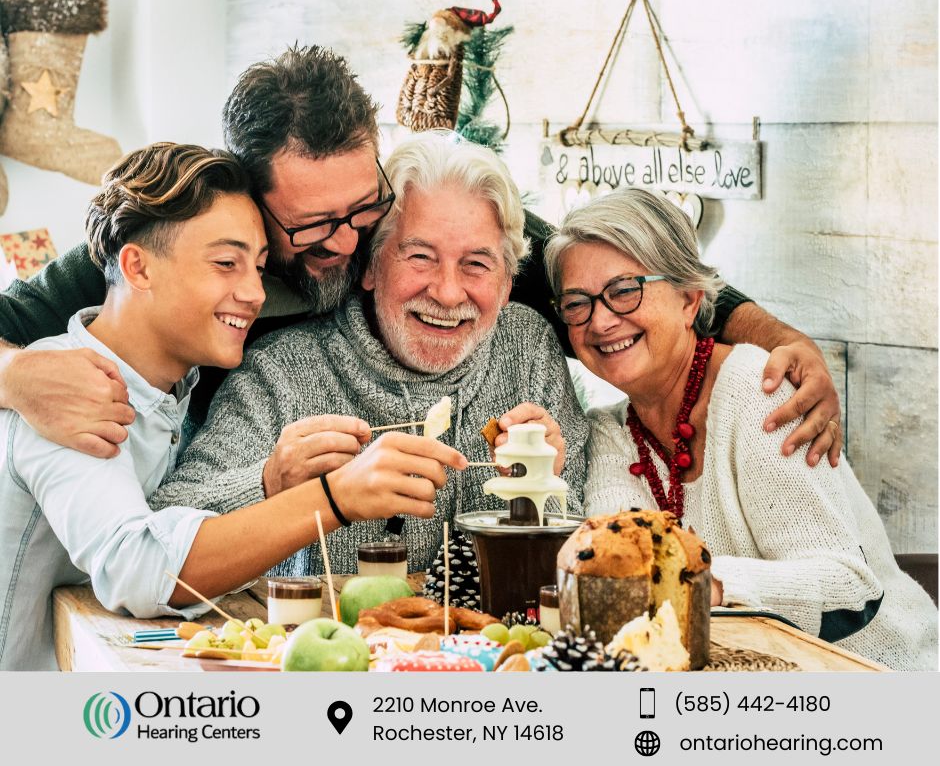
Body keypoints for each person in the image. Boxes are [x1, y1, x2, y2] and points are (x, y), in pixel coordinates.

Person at [0, 45, 842, 468]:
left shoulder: (408, 217)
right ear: (253, 198)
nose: (346, 239)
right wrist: (13, 377)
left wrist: (778, 339)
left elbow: (615, 269)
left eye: (362, 209)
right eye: (310, 225)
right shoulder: (181, 230)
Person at [0, 143, 466, 670]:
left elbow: (168, 528)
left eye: (259, 266)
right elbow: (136, 567)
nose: (253, 292)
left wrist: (275, 485)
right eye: (226, 263)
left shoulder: (175, 388)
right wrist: (335, 499)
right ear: (138, 267)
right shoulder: (68, 389)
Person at [150, 131, 588, 576]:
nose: (449, 292)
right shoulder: (280, 373)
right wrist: (268, 482)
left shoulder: (527, 347)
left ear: (507, 282)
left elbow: (590, 539)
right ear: (371, 267)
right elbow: (162, 536)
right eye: (420, 256)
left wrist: (545, 488)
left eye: (476, 263)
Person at [543, 187, 936, 670]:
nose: (600, 321)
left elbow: (847, 586)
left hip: (872, 681)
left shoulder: (760, 388)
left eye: (625, 290)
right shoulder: (611, 433)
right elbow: (618, 578)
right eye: (577, 303)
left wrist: (701, 583)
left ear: (689, 300)